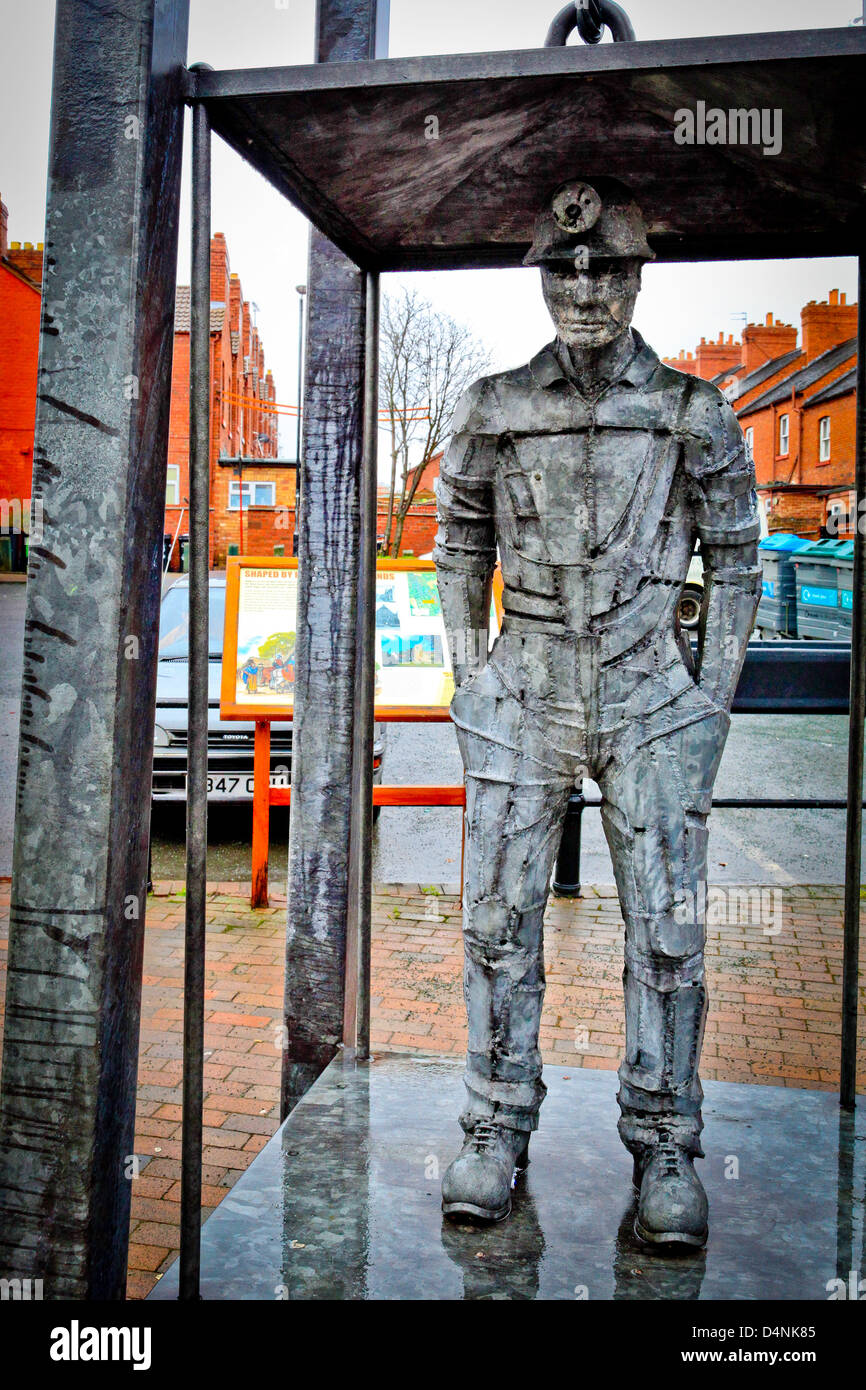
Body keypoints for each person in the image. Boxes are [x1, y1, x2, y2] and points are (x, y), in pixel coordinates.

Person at [434, 178, 761, 1246]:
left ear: (633, 275)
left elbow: (736, 550)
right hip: (523, 684)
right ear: (541, 277)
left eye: (606, 267)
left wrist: (709, 699)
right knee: (495, 919)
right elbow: (459, 542)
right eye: (563, 269)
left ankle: (665, 1138)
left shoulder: (688, 410)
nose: (583, 288)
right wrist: (464, 675)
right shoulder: (491, 404)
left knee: (668, 930)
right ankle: (491, 1122)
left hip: (647, 693)